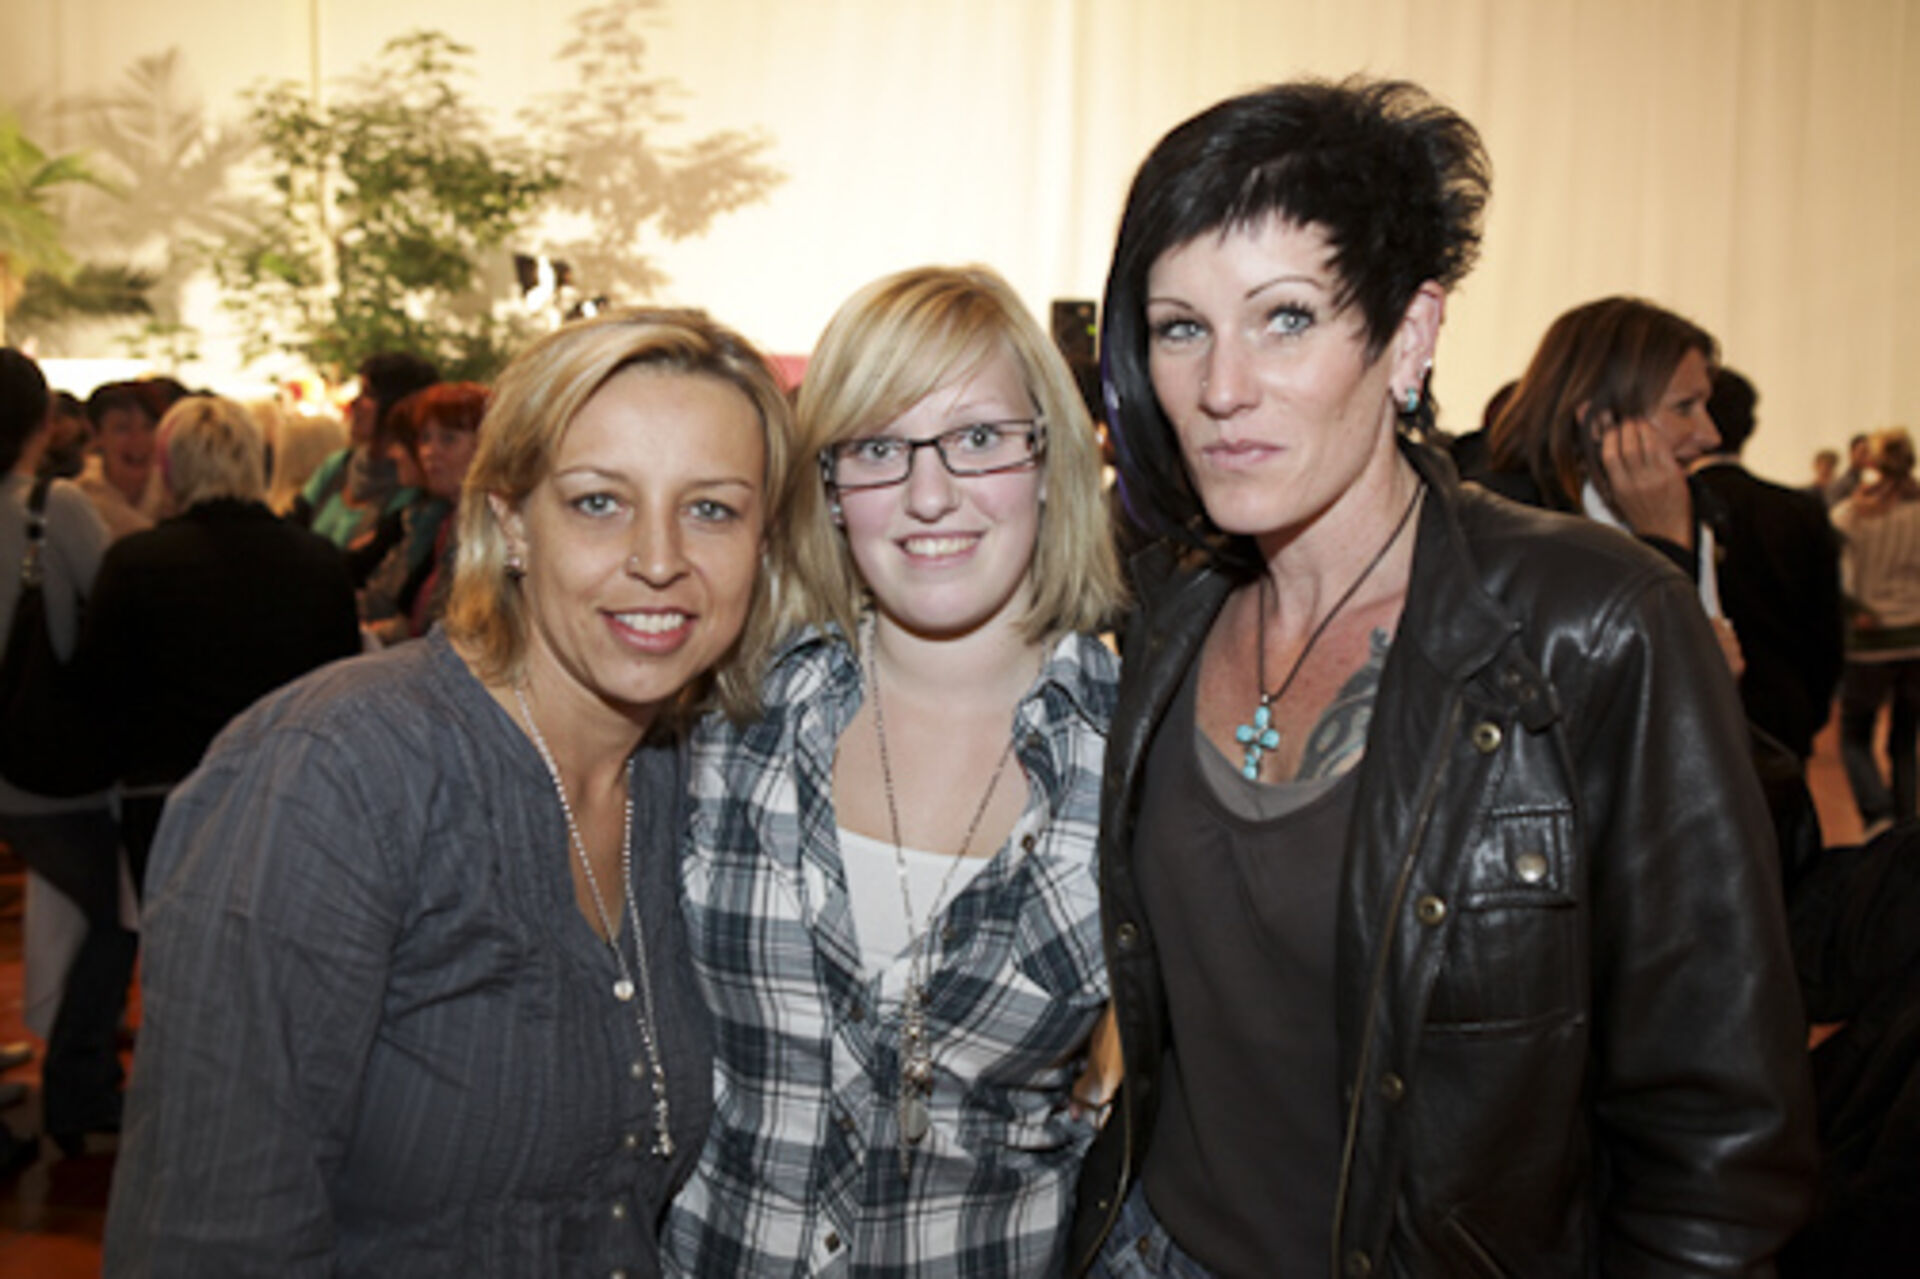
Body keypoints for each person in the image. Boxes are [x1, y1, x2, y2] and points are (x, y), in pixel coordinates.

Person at [1070, 78, 1816, 1276]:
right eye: (1181, 327)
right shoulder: (1169, 611)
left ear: (1410, 334)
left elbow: (1715, 1137)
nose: (1221, 387)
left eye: (1286, 318)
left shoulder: (1593, 625)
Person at [103, 308, 796, 1276]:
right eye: (599, 501)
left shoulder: (687, 779)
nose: (658, 557)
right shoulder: (333, 774)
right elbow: (211, 1237)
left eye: (712, 509)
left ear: (763, 543)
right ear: (510, 523)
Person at [666, 266, 1124, 1276]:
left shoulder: (1138, 757)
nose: (927, 495)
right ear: (828, 488)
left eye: (978, 437)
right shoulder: (723, 718)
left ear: (1051, 460)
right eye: (877, 447)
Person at [59, 395, 362, 892]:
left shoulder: (135, 563)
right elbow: (342, 686)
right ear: (257, 461)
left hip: (165, 792)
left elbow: (100, 685)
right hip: (286, 793)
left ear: (170, 468)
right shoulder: (318, 561)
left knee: (174, 931)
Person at [1483, 295, 1747, 678]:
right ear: (1600, 421)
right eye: (1684, 407)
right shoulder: (1507, 530)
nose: (1710, 435)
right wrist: (1665, 547)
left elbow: (1695, 688)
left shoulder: (1689, 514)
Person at [0, 347, 116, 1173]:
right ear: (45, 422)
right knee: (118, 908)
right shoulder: (54, 506)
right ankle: (78, 1082)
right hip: (35, 762)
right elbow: (112, 611)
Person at [1693, 367, 1844, 761]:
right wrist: (1812, 706)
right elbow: (1826, 624)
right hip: (1784, 704)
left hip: (1697, 711)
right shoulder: (1798, 511)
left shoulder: (1673, 512)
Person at [1831, 428, 1920, 835]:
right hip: (1915, 638)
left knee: (1855, 736)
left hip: (1870, 640)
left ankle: (1877, 813)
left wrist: (1853, 610)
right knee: (1904, 741)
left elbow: (1832, 573)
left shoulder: (1852, 514)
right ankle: (1908, 826)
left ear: (1871, 461)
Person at [290, 351, 438, 549]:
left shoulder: (414, 482)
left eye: (368, 394)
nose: (353, 404)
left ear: (398, 406)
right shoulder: (339, 464)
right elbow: (292, 528)